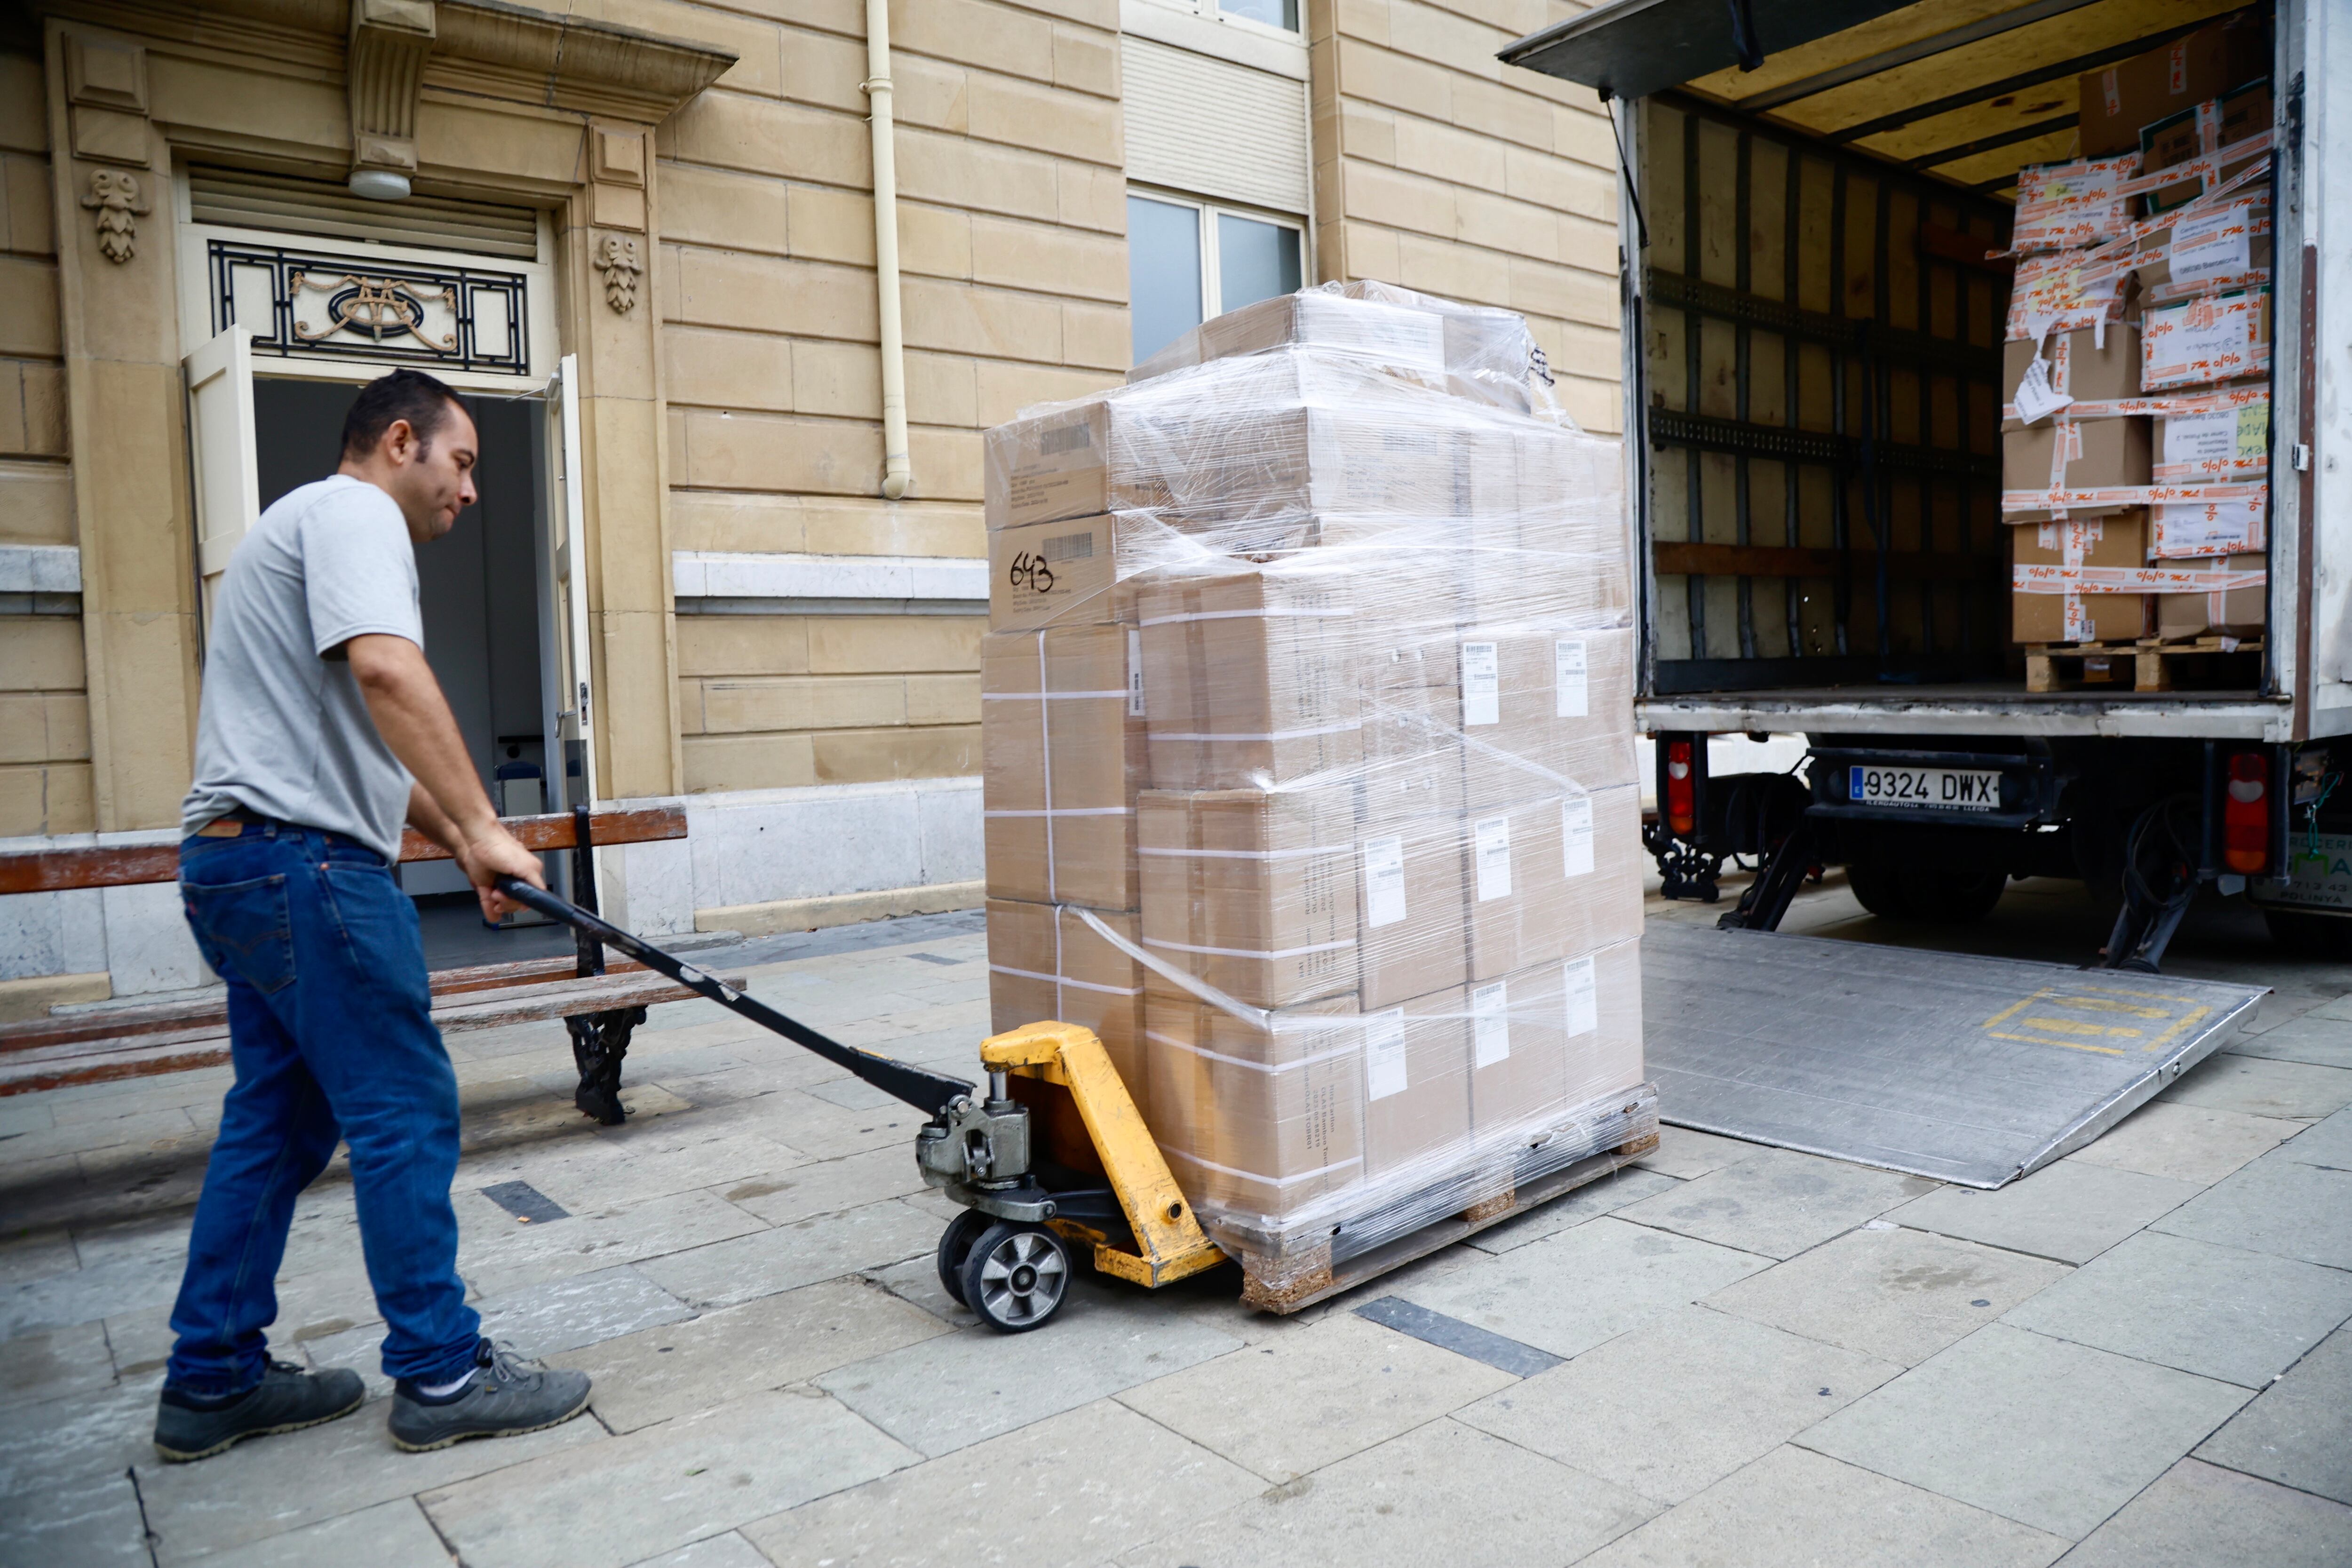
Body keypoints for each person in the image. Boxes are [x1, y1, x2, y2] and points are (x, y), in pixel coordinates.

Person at [154, 368, 591, 1462]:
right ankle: (442, 1371)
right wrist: (490, 822)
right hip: (304, 870)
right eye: (464, 461)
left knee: (280, 1119)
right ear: (401, 441)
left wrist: (456, 839)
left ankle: (211, 1377)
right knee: (403, 1104)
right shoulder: (353, 512)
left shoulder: (295, 527)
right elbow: (391, 674)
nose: (472, 490)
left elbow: (361, 746)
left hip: (239, 862)